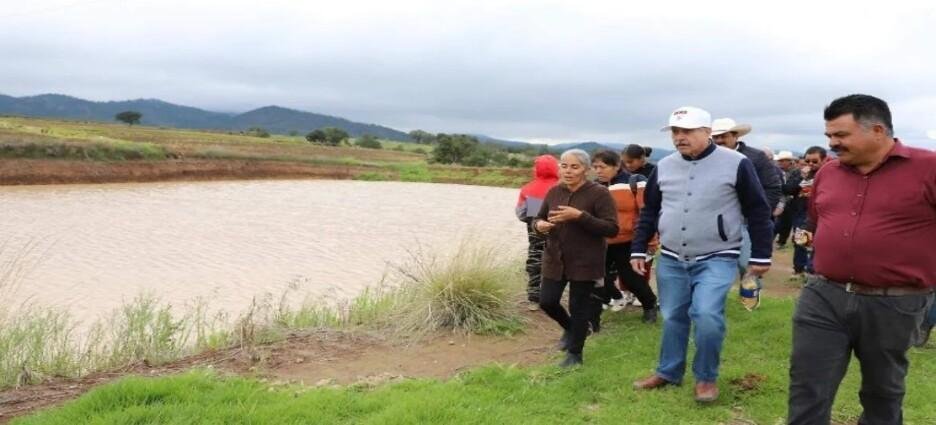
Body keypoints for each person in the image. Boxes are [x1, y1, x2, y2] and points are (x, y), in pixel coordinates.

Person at [787, 94, 935, 425]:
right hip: (823, 294)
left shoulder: (929, 168)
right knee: (807, 384)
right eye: (829, 135)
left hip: (895, 302)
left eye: (841, 135)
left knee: (883, 390)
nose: (832, 143)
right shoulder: (828, 173)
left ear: (878, 131)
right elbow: (817, 220)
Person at [631, 106, 773, 402]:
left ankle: (706, 378)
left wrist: (761, 254)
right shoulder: (664, 166)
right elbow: (650, 211)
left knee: (706, 315)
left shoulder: (737, 163)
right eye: (675, 131)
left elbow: (757, 209)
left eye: (687, 131)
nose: (679, 137)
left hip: (718, 255)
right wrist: (638, 247)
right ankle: (669, 371)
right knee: (672, 316)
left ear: (707, 132)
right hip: (671, 257)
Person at [533, 149, 619, 368]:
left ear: (586, 170)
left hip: (585, 260)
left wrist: (580, 216)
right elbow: (538, 218)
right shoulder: (554, 191)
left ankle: (575, 354)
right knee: (547, 302)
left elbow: (611, 229)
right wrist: (539, 225)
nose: (568, 171)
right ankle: (573, 329)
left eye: (574, 167)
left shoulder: (599, 193)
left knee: (578, 307)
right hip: (555, 258)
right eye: (564, 166)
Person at [591, 150, 659, 324]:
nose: (598, 171)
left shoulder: (634, 182)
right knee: (597, 276)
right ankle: (604, 305)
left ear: (616, 166)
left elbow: (646, 211)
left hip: (628, 240)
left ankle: (650, 305)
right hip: (601, 241)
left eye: (602, 167)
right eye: (595, 167)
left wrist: (651, 241)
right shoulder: (593, 187)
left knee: (631, 278)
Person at [515, 155, 559, 309]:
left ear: (537, 169)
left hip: (535, 232)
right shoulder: (563, 187)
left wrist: (535, 218)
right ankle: (554, 296)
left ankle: (534, 298)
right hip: (561, 233)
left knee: (535, 261)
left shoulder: (528, 188)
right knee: (560, 261)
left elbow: (521, 214)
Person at [786, 146, 827, 278]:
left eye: (815, 161)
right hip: (801, 213)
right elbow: (787, 189)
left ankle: (812, 270)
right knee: (800, 243)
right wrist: (801, 178)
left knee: (818, 244)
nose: (810, 164)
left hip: (820, 215)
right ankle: (799, 269)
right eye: (807, 161)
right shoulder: (800, 173)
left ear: (824, 160)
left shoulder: (828, 175)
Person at [773, 151, 798, 248]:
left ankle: (781, 242)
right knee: (778, 222)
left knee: (786, 223)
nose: (780, 163)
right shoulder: (777, 171)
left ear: (789, 161)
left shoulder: (796, 172)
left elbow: (790, 188)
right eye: (779, 161)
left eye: (782, 161)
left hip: (791, 202)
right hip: (780, 199)